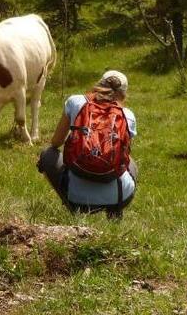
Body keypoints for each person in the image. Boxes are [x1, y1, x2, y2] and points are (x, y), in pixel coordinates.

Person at [37, 70, 138, 219]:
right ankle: (114, 212)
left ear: (98, 85)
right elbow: (123, 156)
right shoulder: (127, 115)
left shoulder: (75, 102)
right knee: (131, 163)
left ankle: (72, 206)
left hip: (76, 198)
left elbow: (56, 142)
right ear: (123, 95)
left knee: (48, 153)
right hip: (119, 197)